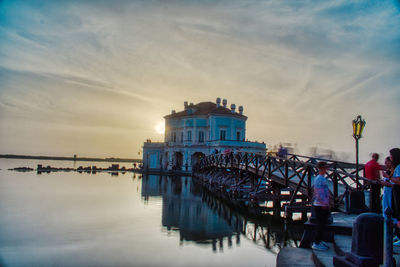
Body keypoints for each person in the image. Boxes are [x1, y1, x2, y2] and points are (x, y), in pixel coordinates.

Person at [312, 161, 331, 251]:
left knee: (323, 224)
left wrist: (328, 203)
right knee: (320, 224)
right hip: (320, 205)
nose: (326, 169)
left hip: (322, 204)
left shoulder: (321, 178)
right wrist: (323, 203)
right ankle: (316, 242)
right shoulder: (319, 179)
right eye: (325, 168)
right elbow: (318, 192)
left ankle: (319, 241)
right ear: (321, 168)